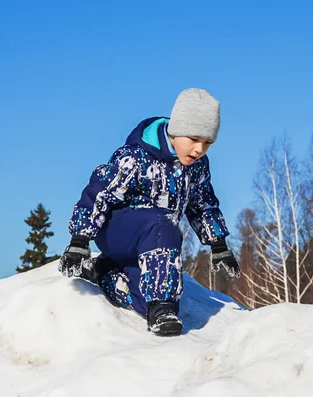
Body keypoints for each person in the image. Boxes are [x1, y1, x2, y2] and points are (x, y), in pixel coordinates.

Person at [59, 88, 241, 337]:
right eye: (194, 139)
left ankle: (104, 273)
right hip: (117, 231)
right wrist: (79, 240)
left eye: (207, 143)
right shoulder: (137, 157)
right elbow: (98, 193)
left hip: (151, 244)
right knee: (161, 222)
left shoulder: (196, 167)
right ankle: (162, 308)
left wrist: (219, 245)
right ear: (176, 130)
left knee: (146, 298)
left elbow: (203, 204)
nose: (199, 149)